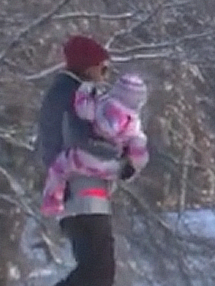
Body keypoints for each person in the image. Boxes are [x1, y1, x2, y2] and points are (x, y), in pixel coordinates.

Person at [35, 35, 133, 286]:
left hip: (69, 189)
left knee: (95, 265)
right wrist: (119, 159)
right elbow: (83, 140)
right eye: (102, 67)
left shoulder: (59, 93)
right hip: (83, 188)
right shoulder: (76, 93)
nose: (105, 73)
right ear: (89, 65)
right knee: (101, 266)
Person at [42, 73, 149, 217]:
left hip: (84, 158)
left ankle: (53, 201)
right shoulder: (134, 124)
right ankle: (105, 199)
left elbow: (83, 109)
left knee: (58, 167)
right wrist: (132, 168)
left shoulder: (103, 106)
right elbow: (138, 151)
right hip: (111, 167)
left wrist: (83, 92)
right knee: (110, 184)